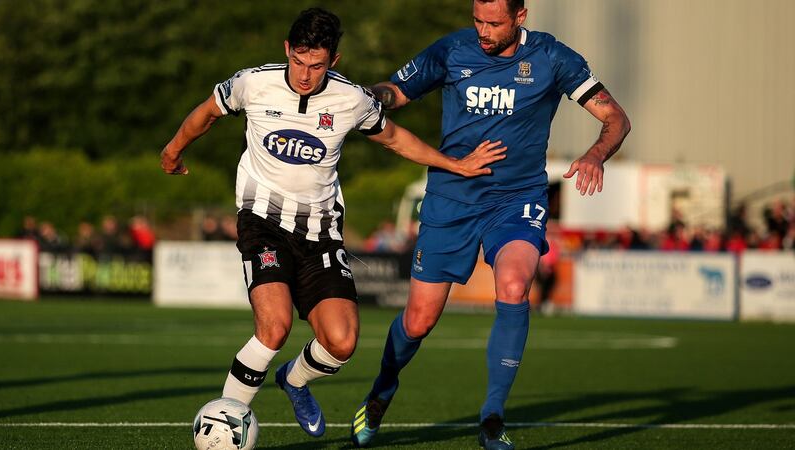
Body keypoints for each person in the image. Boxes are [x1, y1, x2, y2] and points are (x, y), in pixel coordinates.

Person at [160, 7, 505, 439]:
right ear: (287, 50)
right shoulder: (253, 83)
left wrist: (455, 164)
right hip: (262, 221)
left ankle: (295, 379)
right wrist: (173, 151)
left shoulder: (351, 100)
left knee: (341, 343)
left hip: (321, 232)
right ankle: (224, 426)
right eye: (298, 62)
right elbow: (206, 113)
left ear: (334, 61)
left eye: (317, 65)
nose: (305, 75)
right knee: (274, 327)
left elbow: (396, 139)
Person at [350, 1, 631, 448]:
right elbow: (394, 93)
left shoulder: (552, 58)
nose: (482, 30)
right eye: (477, 19)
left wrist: (595, 153)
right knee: (420, 320)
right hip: (451, 198)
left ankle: (492, 418)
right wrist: (358, 96)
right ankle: (382, 390)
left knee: (516, 285)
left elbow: (615, 117)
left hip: (516, 200)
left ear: (521, 17)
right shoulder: (451, 51)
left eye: (493, 22)